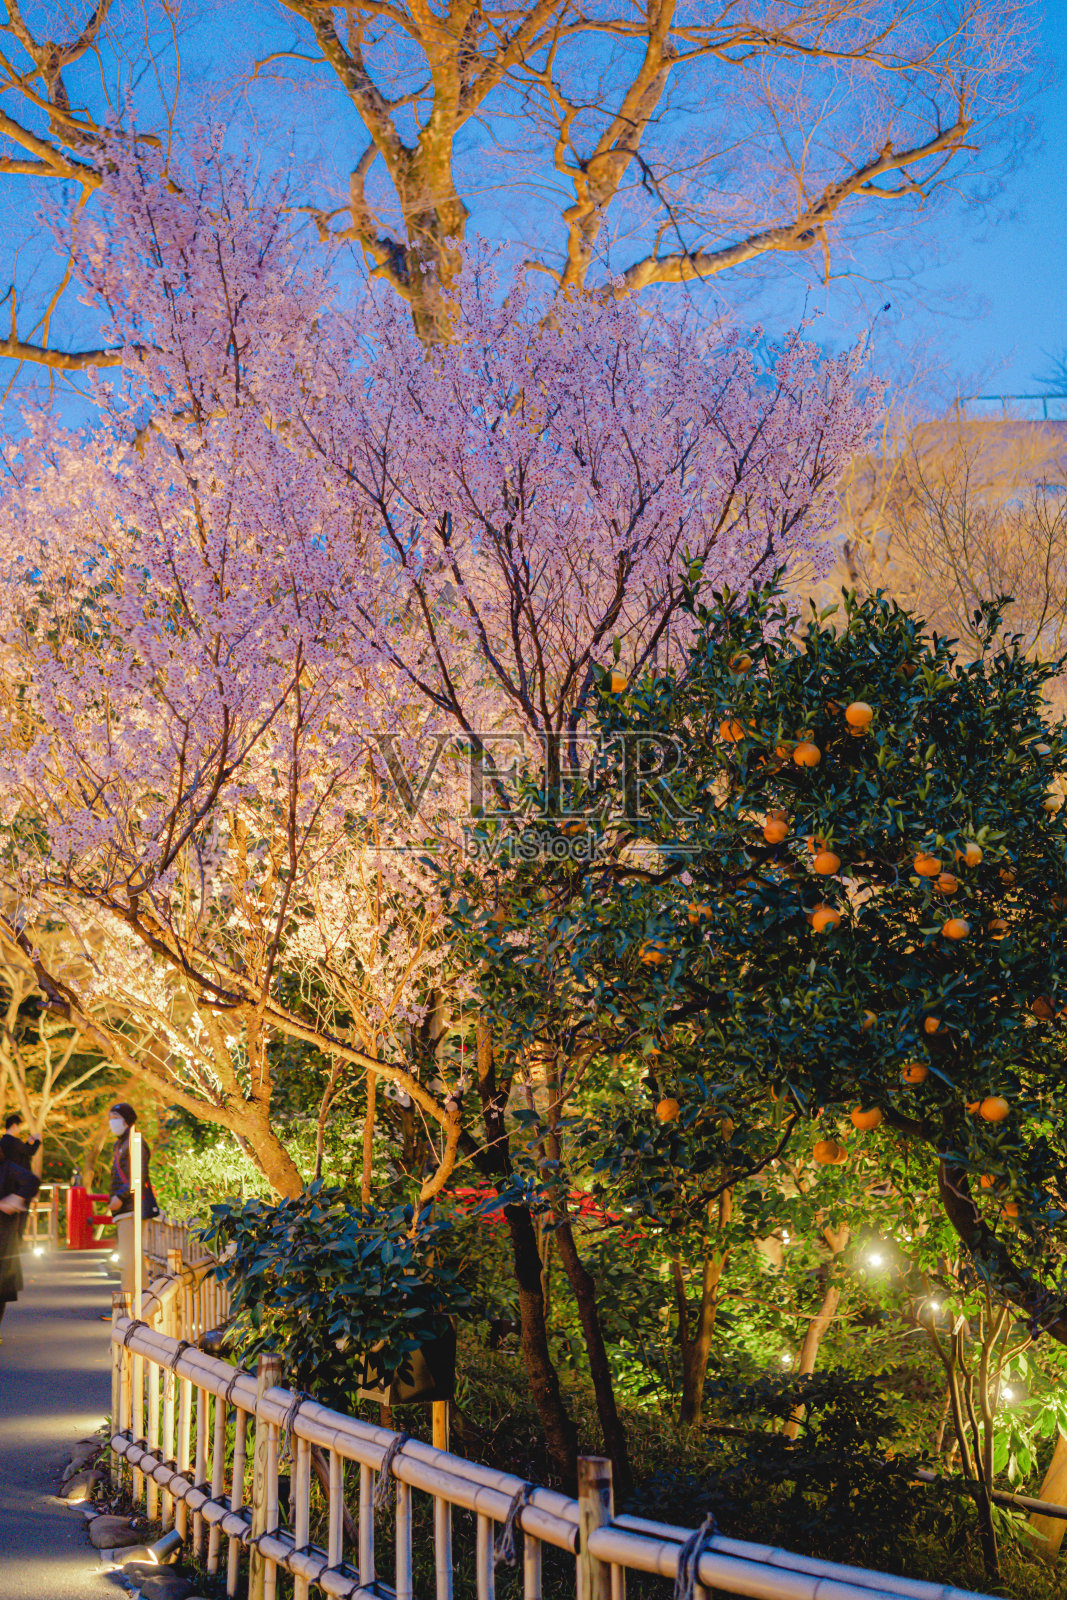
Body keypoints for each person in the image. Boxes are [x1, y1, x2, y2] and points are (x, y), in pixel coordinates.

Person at [107, 1103, 159, 1300]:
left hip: (131, 1207)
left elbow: (138, 1175)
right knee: (133, 1260)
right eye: (110, 1118)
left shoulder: (134, 1142)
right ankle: (143, 1304)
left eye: (115, 1117)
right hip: (125, 1209)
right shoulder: (121, 1143)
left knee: (128, 1261)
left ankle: (128, 1307)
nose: (112, 1122)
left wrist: (120, 1197)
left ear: (127, 1119)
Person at [0, 1153, 40, 1340]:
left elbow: (32, 1181)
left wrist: (16, 1198)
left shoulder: (7, 1167)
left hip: (3, 1238)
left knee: (1, 1288)